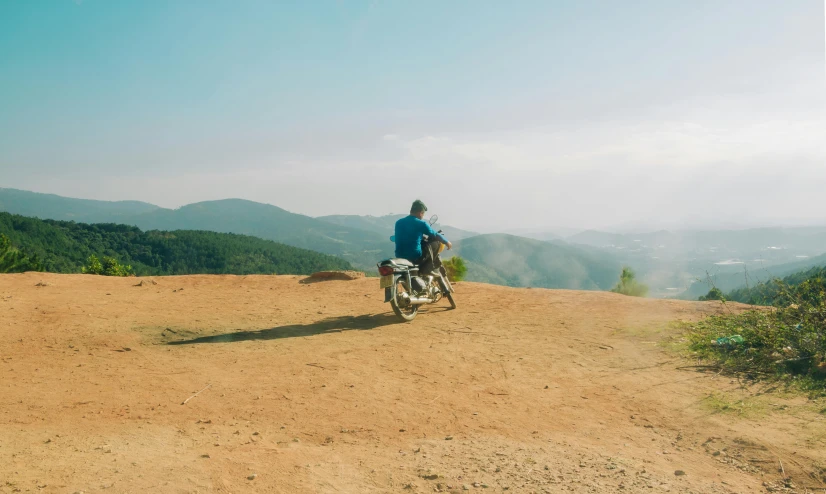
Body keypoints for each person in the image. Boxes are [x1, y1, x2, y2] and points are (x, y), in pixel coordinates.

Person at [394, 199, 452, 274]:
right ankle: (427, 268)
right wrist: (446, 242)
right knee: (436, 243)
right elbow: (434, 234)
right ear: (421, 213)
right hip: (415, 256)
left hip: (399, 255)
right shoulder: (421, 223)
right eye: (423, 214)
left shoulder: (399, 222)